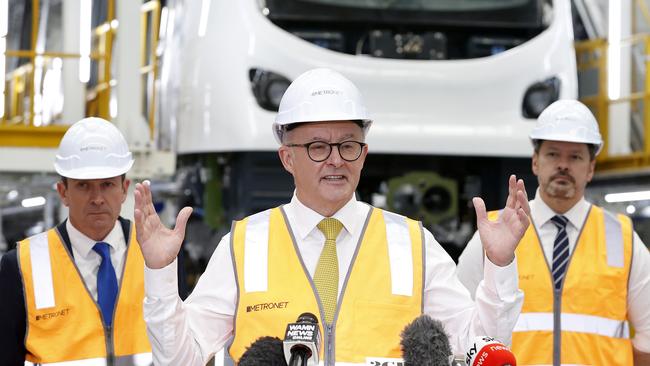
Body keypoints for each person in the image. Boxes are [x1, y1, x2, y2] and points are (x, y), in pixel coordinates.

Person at [136, 68, 530, 365]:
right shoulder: (245, 244)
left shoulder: (411, 243)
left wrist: (499, 265)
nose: (336, 160)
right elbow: (180, 359)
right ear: (287, 157)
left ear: (365, 153)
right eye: (318, 147)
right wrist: (160, 274)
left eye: (348, 145)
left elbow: (481, 345)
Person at [456, 99, 650, 365]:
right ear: (535, 162)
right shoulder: (493, 233)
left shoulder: (623, 238)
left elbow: (647, 340)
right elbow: (457, 324)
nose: (563, 165)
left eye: (575, 156)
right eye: (552, 154)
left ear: (591, 168)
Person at [0, 117, 152, 365]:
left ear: (124, 189)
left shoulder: (156, 255)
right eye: (83, 185)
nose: (97, 198)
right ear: (63, 192)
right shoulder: (20, 265)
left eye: (107, 184)